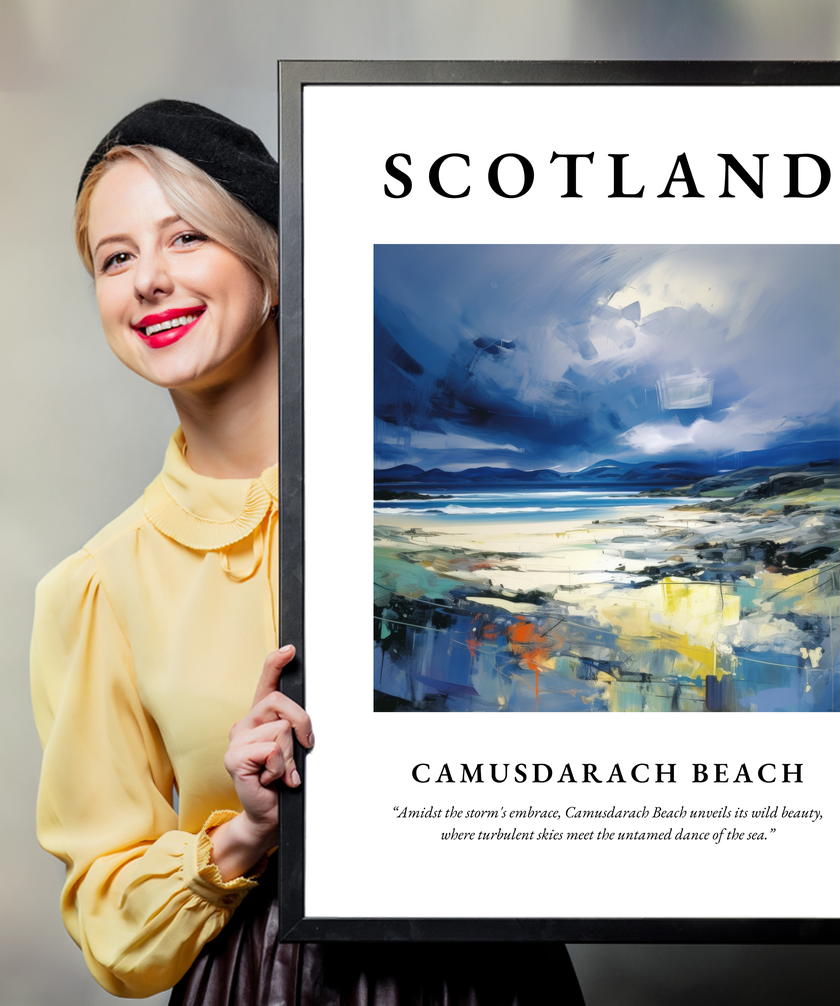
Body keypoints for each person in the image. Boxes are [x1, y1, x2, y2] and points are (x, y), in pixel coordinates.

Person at [30, 100, 586, 1004]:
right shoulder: (97, 587)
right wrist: (244, 832)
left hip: (492, 973)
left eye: (185, 238)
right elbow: (110, 923)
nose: (148, 281)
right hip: (263, 982)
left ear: (273, 263)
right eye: (116, 257)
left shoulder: (439, 510)